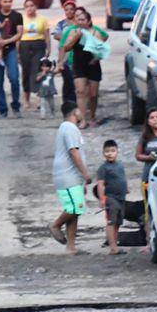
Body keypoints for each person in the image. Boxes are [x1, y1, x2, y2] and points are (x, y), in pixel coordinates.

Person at [56, 5, 109, 128]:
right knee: (80, 92)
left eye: (83, 20)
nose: (80, 22)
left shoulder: (95, 32)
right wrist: (77, 37)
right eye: (78, 20)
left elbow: (102, 50)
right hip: (78, 65)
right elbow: (66, 47)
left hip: (93, 65)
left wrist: (96, 58)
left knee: (93, 94)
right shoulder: (73, 31)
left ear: (88, 21)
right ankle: (83, 119)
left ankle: (93, 116)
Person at [50, 102, 91, 254]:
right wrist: (85, 173)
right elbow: (74, 152)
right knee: (76, 207)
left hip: (73, 176)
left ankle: (71, 247)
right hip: (68, 175)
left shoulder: (67, 128)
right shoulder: (69, 128)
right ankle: (56, 225)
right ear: (75, 112)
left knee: (74, 211)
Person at [95, 139, 129, 256]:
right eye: (107, 151)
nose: (110, 153)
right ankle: (113, 247)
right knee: (111, 221)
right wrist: (102, 198)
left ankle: (115, 244)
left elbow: (122, 178)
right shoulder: (103, 168)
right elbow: (100, 184)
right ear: (103, 153)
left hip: (121, 197)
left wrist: (126, 188)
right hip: (111, 198)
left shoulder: (120, 165)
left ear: (117, 151)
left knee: (118, 222)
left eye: (112, 151)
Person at [0, 0, 24, 117]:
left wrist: (5, 41)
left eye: (9, 1)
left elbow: (19, 33)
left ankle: (16, 105)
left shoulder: (17, 16)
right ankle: (3, 109)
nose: (7, 4)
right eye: (5, 1)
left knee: (14, 79)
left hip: (10, 50)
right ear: (0, 2)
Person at [18, 0, 51, 110]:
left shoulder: (43, 19)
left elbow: (47, 35)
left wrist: (48, 48)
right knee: (26, 72)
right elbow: (18, 36)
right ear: (24, 8)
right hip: (25, 46)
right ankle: (26, 100)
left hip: (39, 45)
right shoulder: (21, 19)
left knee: (38, 70)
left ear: (35, 6)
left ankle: (38, 98)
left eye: (32, 5)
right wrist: (18, 51)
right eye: (27, 6)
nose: (30, 8)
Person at [135, 107, 157, 181]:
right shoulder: (144, 136)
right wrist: (148, 157)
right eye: (152, 118)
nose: (155, 119)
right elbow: (138, 155)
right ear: (148, 122)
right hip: (149, 175)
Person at [53, 0, 78, 99]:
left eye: (71, 9)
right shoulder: (61, 24)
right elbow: (56, 35)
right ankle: (67, 100)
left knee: (75, 79)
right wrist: (69, 38)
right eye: (66, 9)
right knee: (67, 79)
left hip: (76, 55)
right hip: (64, 55)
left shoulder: (78, 22)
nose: (69, 11)